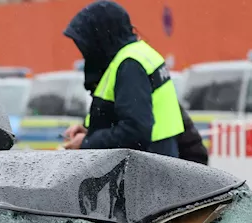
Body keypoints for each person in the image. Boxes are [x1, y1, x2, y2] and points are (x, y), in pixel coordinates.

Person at [61, 0, 184, 157]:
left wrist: (87, 142)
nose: (86, 52)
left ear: (101, 37)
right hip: (159, 160)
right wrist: (89, 131)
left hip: (145, 168)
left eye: (88, 43)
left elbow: (135, 132)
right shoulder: (139, 54)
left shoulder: (129, 65)